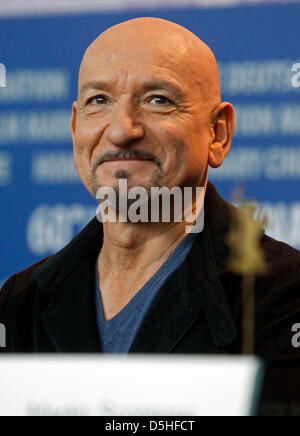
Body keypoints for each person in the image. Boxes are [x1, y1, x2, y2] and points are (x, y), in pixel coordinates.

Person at [1, 17, 300, 415]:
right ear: (75, 128)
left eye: (158, 99)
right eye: (99, 101)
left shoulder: (286, 296)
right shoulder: (20, 303)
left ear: (218, 133)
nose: (122, 130)